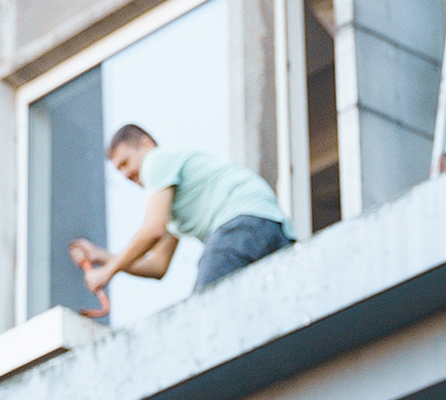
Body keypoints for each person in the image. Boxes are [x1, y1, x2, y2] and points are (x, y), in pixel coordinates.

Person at [69, 125, 293, 310]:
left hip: (243, 222)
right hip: (271, 226)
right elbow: (157, 266)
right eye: (119, 171)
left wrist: (108, 272)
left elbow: (153, 229)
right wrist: (103, 256)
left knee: (205, 309)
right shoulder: (173, 206)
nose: (126, 175)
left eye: (126, 162)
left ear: (146, 144)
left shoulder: (157, 161)